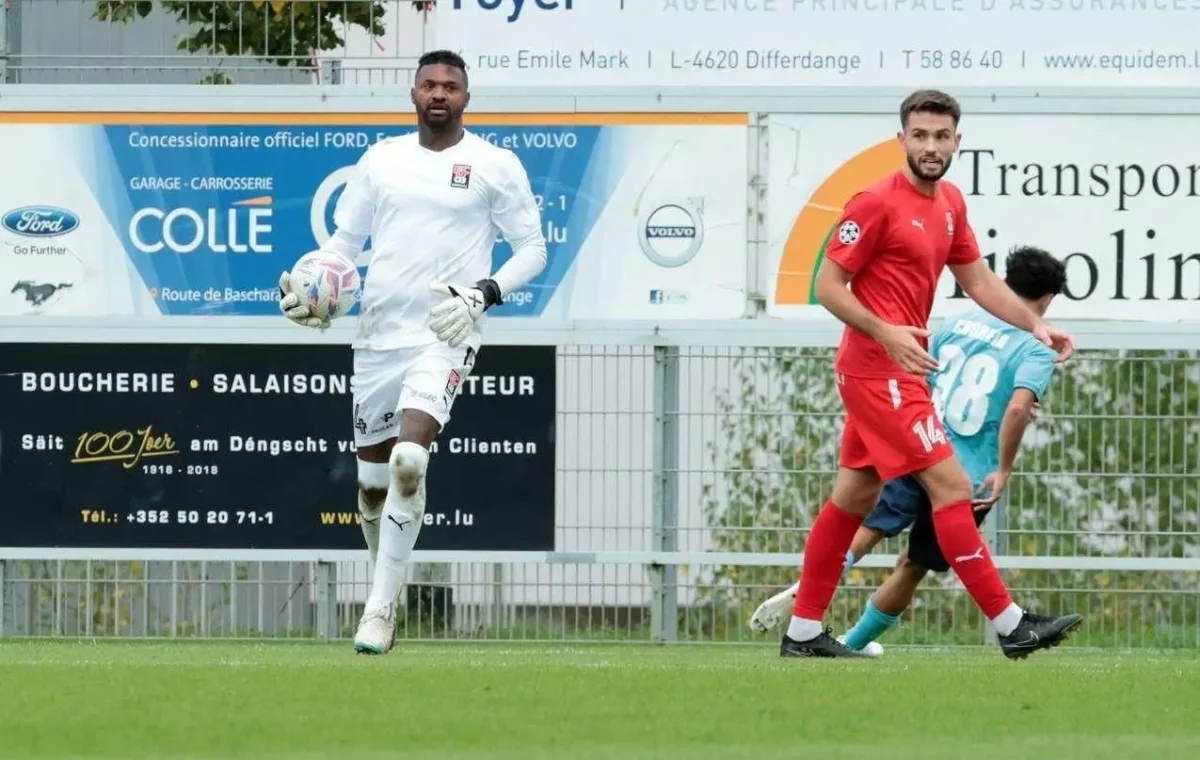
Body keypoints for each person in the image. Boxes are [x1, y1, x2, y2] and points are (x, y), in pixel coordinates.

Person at [780, 89, 1082, 660]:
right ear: (902, 139)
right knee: (952, 488)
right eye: (919, 135)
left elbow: (982, 283)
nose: (930, 146)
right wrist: (886, 331)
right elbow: (825, 286)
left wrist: (1037, 329)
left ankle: (802, 632)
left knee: (852, 497)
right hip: (878, 371)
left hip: (899, 373)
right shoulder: (873, 203)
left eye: (941, 136)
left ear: (956, 142)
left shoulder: (949, 203)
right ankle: (1012, 626)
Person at [276, 50, 548, 655]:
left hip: (446, 331)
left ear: (466, 98)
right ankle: (386, 585)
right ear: (414, 93)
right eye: (430, 84)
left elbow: (532, 250)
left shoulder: (494, 164)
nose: (440, 94)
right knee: (372, 485)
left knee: (409, 463)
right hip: (377, 337)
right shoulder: (382, 161)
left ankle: (377, 608)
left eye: (451, 86)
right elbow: (342, 249)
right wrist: (306, 289)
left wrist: (486, 293)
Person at [751, 246, 1068, 657]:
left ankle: (814, 590)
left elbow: (918, 371)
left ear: (1006, 283)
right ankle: (855, 641)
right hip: (967, 470)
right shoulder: (1035, 346)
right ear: (1046, 299)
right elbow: (1018, 407)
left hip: (919, 440)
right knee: (912, 566)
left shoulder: (960, 322)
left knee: (868, 526)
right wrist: (1004, 467)